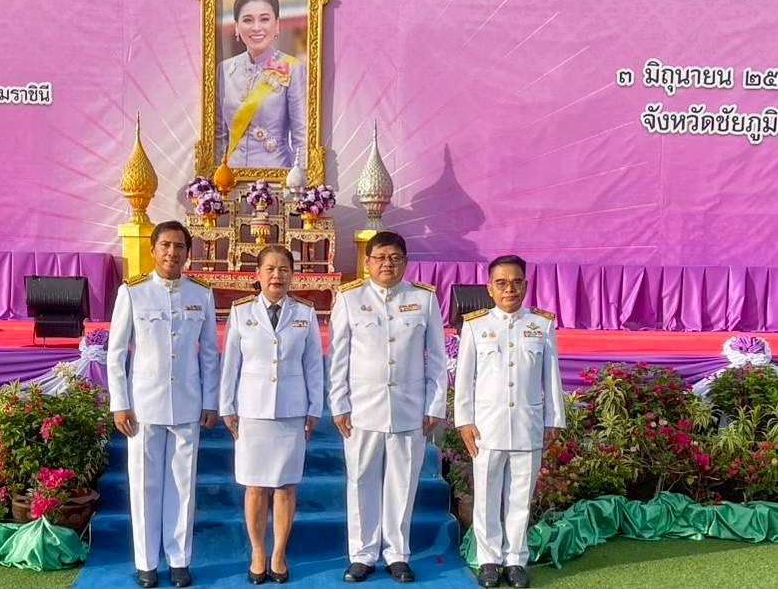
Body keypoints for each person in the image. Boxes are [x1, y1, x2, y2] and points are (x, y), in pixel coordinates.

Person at [327, 231, 447, 584]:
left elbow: (437, 358)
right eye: (379, 257)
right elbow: (338, 356)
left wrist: (435, 403)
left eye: (394, 258)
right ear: (367, 262)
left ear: (405, 262)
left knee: (402, 482)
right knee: (361, 480)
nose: (387, 264)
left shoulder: (423, 298)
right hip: (363, 407)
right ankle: (362, 554)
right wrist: (338, 403)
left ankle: (397, 553)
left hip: (409, 407)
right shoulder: (350, 298)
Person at [107, 221, 220, 589]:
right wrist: (120, 402)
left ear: (188, 252)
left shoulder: (201, 293)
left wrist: (210, 399)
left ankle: (179, 560)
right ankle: (146, 563)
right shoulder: (133, 292)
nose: (173, 253)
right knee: (144, 485)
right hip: (144, 405)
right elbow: (116, 353)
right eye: (166, 245)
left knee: (183, 486)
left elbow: (209, 353)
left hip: (187, 402)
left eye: (180, 246)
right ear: (154, 249)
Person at [453, 255, 566, 589]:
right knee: (487, 497)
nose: (509, 289)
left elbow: (551, 377)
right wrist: (464, 421)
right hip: (487, 427)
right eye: (501, 283)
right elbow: (464, 379)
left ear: (526, 285)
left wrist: (553, 419)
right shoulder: (476, 325)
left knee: (520, 499)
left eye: (516, 282)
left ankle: (515, 560)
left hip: (528, 424)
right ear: (489, 288)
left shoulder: (541, 324)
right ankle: (488, 560)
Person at [219, 245, 323, 585]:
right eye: (270, 269)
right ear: (258, 274)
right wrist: (226, 406)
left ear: (293, 275)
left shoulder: (305, 312)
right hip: (252, 411)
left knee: (285, 487)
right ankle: (257, 551)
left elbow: (314, 365)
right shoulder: (241, 312)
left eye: (284, 269)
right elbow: (230, 364)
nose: (277, 275)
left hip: (291, 412)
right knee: (254, 487)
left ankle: (278, 553)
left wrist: (315, 407)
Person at [215, 0, 306, 169]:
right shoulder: (223, 70)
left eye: (264, 19)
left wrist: (301, 180)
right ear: (236, 26)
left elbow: (302, 137)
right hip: (231, 177)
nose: (256, 27)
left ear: (277, 24)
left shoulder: (293, 68)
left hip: (277, 176)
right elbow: (218, 136)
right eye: (247, 20)